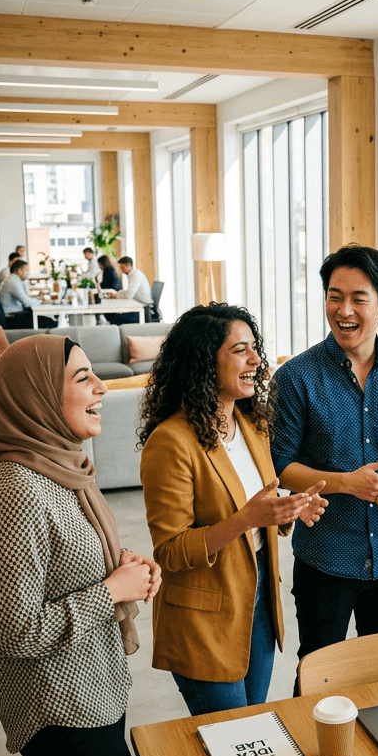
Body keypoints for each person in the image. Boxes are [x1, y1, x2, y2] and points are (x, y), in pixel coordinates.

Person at [0, 334, 162, 756]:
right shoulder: (16, 493)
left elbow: (64, 558)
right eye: (83, 378)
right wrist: (112, 590)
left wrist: (124, 565)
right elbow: (15, 631)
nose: (102, 386)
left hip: (94, 687)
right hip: (60, 706)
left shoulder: (62, 466)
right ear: (35, 397)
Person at [139, 304, 327, 715]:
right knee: (229, 734)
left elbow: (262, 510)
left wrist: (289, 509)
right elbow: (170, 551)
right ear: (205, 363)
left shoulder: (252, 424)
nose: (256, 360)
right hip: (204, 618)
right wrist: (247, 519)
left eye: (254, 348)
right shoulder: (170, 442)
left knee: (252, 724)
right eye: (240, 350)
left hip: (258, 600)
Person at [271, 245, 378, 689]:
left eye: (359, 298)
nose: (344, 310)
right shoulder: (295, 377)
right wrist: (345, 484)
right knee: (317, 675)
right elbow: (281, 464)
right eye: (334, 296)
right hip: (325, 560)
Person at [0, 259, 56, 329]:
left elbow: (26, 296)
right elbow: (26, 302)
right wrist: (41, 302)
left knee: (47, 319)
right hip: (12, 318)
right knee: (51, 322)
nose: (28, 273)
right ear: (20, 271)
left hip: (14, 315)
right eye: (27, 270)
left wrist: (39, 300)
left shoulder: (14, 279)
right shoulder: (13, 281)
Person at [103, 255, 150, 325]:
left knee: (113, 317)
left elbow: (129, 295)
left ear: (129, 266)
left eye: (122, 267)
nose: (121, 270)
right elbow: (128, 292)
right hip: (137, 305)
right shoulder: (133, 274)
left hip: (143, 309)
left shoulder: (136, 276)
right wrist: (116, 294)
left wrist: (116, 296)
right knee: (112, 316)